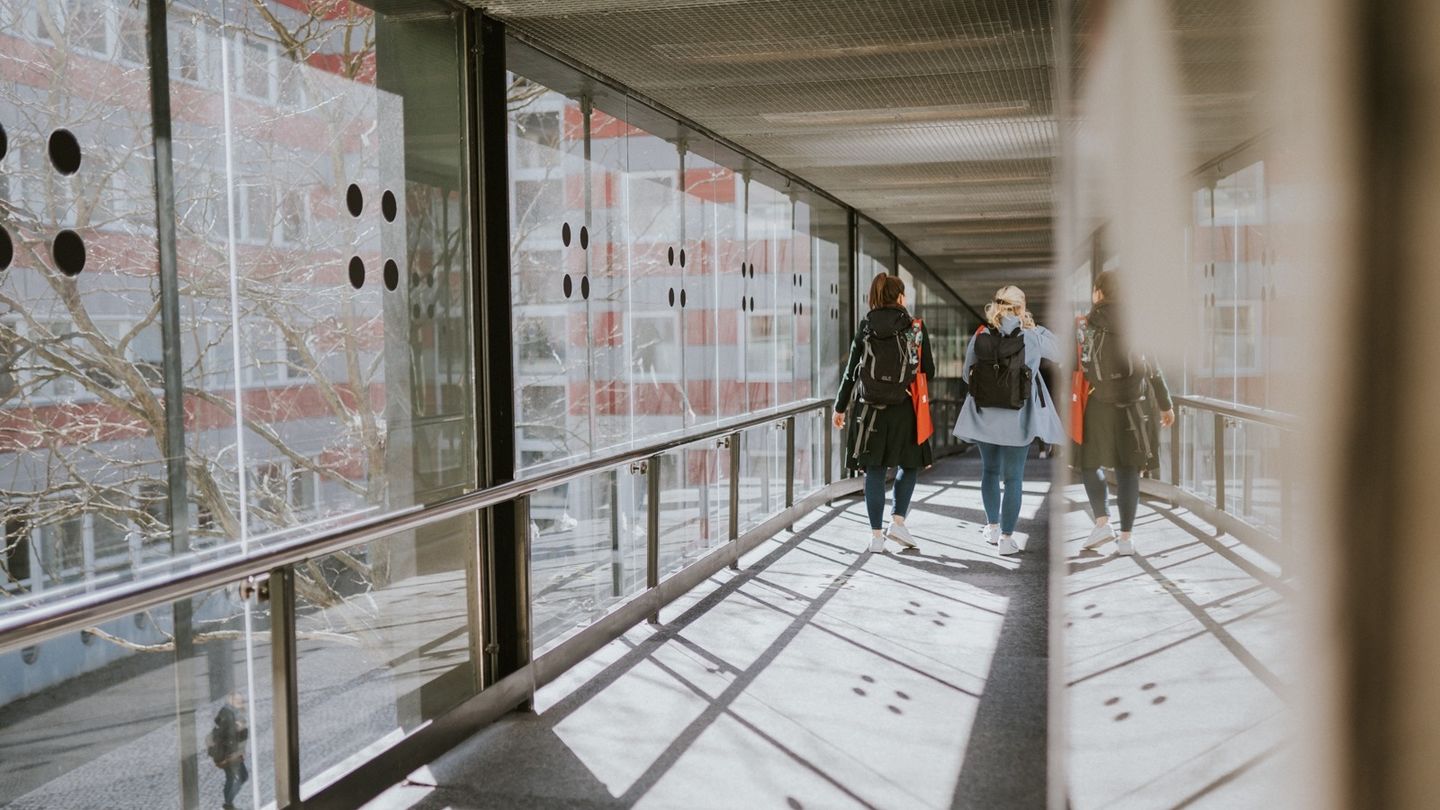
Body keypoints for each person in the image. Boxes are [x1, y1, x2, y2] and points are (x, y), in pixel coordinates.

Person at [953, 285, 1065, 555]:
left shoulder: (981, 334)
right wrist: (1035, 327)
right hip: (1019, 417)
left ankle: (992, 527)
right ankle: (1006, 538)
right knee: (1013, 478)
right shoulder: (1032, 336)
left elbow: (968, 376)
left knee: (989, 471)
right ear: (1021, 307)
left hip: (984, 416)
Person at [833, 274, 935, 553]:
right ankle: (897, 521)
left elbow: (851, 370)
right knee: (909, 464)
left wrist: (840, 407)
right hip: (904, 408)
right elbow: (929, 370)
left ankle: (876, 537)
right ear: (900, 297)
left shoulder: (866, 327)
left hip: (869, 410)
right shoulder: (915, 328)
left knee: (874, 470)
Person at [1077, 270, 1174, 555]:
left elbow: (1082, 365)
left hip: (1099, 404)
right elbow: (1153, 367)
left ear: (1099, 292)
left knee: (1089, 462)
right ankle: (1126, 539)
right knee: (1128, 469)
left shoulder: (1090, 322)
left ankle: (1102, 522)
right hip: (1135, 405)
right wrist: (1165, 404)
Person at [209, 691, 249, 810]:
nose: (241, 703)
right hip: (230, 754)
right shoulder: (228, 715)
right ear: (230, 701)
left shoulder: (234, 714)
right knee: (241, 777)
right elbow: (226, 736)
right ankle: (228, 803)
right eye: (238, 701)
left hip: (233, 754)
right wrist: (238, 729)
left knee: (234, 778)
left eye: (241, 701)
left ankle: (228, 803)